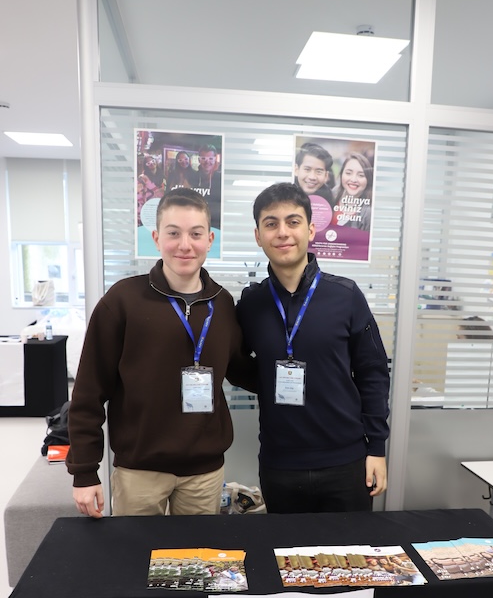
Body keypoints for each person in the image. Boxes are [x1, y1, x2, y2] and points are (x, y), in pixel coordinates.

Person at [67, 187, 255, 519]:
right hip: (139, 470)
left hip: (204, 472)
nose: (185, 245)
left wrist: (307, 369)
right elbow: (88, 392)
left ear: (210, 239)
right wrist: (84, 470)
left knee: (198, 553)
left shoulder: (223, 304)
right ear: (156, 238)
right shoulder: (123, 301)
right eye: (173, 233)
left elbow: (240, 368)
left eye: (195, 234)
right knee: (137, 552)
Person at [236, 182, 390, 514]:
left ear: (310, 229)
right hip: (280, 465)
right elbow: (235, 364)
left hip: (346, 462)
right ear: (258, 235)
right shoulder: (251, 304)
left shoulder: (345, 296)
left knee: (351, 548)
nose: (283, 232)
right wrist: (268, 380)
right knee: (286, 547)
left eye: (293, 221)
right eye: (271, 223)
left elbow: (373, 373)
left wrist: (377, 447)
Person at [332, 153, 373, 230]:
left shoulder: (369, 212)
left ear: (368, 179)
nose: (353, 180)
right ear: (341, 174)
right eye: (348, 173)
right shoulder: (333, 194)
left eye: (361, 175)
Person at [294, 142, 334, 207]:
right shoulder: (285, 194)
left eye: (319, 171)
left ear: (326, 176)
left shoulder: (329, 197)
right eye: (307, 169)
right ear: (296, 170)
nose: (312, 177)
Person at [137, 154, 166, 224]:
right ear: (145, 166)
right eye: (148, 163)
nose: (151, 163)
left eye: (153, 161)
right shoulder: (142, 178)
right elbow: (139, 195)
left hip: (160, 207)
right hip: (148, 208)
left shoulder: (162, 176)